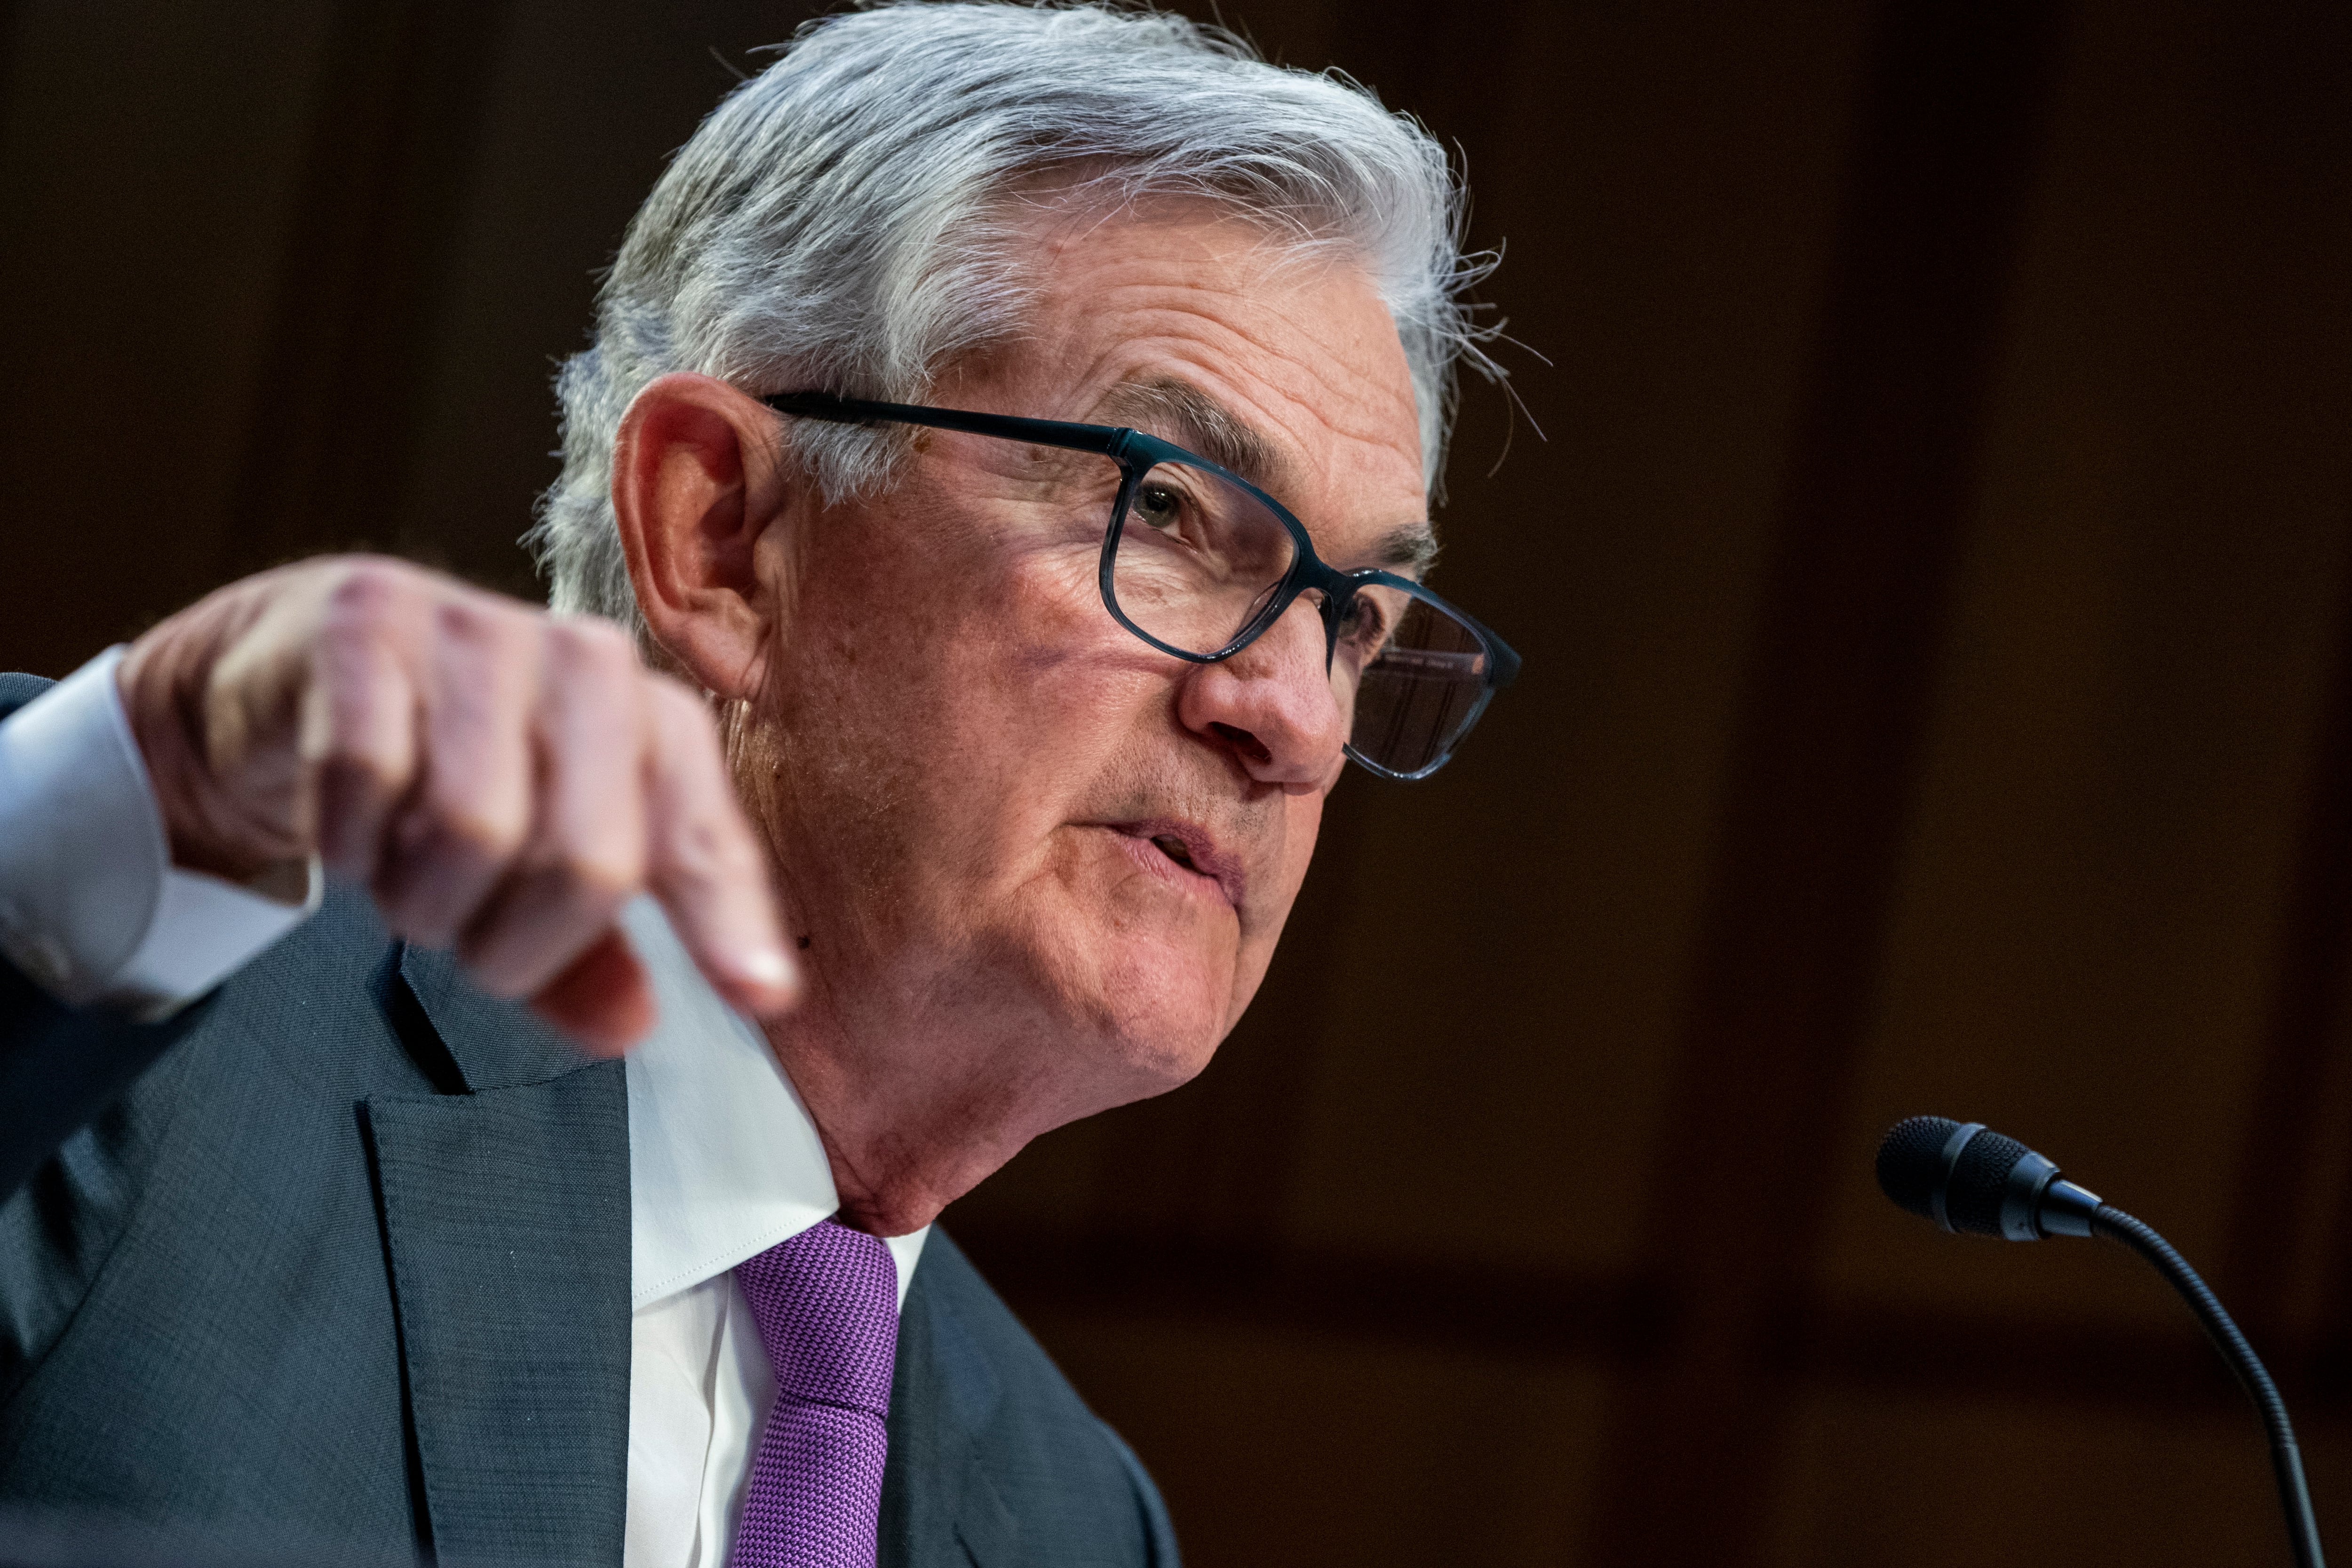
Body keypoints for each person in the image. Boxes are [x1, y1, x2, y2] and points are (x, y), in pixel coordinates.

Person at [0, 4, 1518, 1565]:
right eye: (1174, 517)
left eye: (1354, 619)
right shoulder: (125, 1038)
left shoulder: (1079, 1522)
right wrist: (132, 805)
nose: (1292, 719)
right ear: (722, 535)